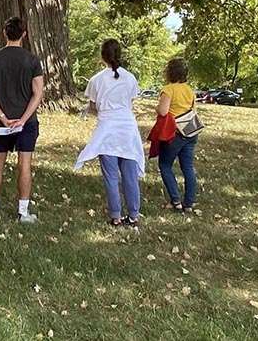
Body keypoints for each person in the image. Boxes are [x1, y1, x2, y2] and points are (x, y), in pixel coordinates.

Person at [0, 17, 45, 224]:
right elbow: (38, 93)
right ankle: (23, 212)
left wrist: (4, 118)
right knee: (24, 164)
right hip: (27, 123)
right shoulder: (32, 61)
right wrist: (23, 119)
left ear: (4, 33)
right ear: (24, 34)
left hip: (2, 124)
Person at [75, 39, 144, 227]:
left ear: (102, 56)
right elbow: (130, 102)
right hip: (127, 128)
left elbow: (94, 105)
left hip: (107, 128)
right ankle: (134, 215)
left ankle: (116, 216)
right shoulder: (130, 78)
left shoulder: (96, 80)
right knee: (130, 174)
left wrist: (94, 108)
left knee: (111, 175)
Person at [156, 58, 199, 212]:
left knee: (165, 165)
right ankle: (189, 203)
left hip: (174, 132)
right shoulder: (189, 90)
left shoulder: (169, 90)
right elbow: (193, 110)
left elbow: (163, 111)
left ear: (170, 72)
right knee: (188, 167)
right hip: (190, 131)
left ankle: (175, 200)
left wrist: (156, 107)